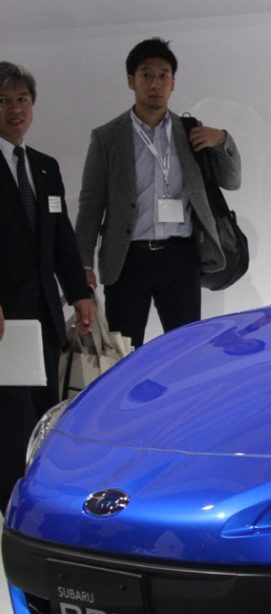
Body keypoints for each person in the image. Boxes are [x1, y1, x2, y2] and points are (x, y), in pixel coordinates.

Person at [76, 37, 240, 348]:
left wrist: (222, 140)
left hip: (180, 255)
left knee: (186, 350)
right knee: (125, 351)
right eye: (146, 75)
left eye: (163, 75)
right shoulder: (107, 137)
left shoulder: (191, 131)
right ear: (131, 80)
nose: (155, 84)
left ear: (173, 82)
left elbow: (232, 180)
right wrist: (83, 265)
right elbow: (91, 205)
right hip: (128, 257)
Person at [0, 61, 95, 507]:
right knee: (11, 417)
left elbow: (61, 241)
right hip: (7, 322)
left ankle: (37, 498)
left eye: (22, 99)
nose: (14, 109)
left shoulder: (43, 167)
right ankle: (11, 505)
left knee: (45, 413)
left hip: (44, 315)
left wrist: (80, 294)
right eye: (3, 100)